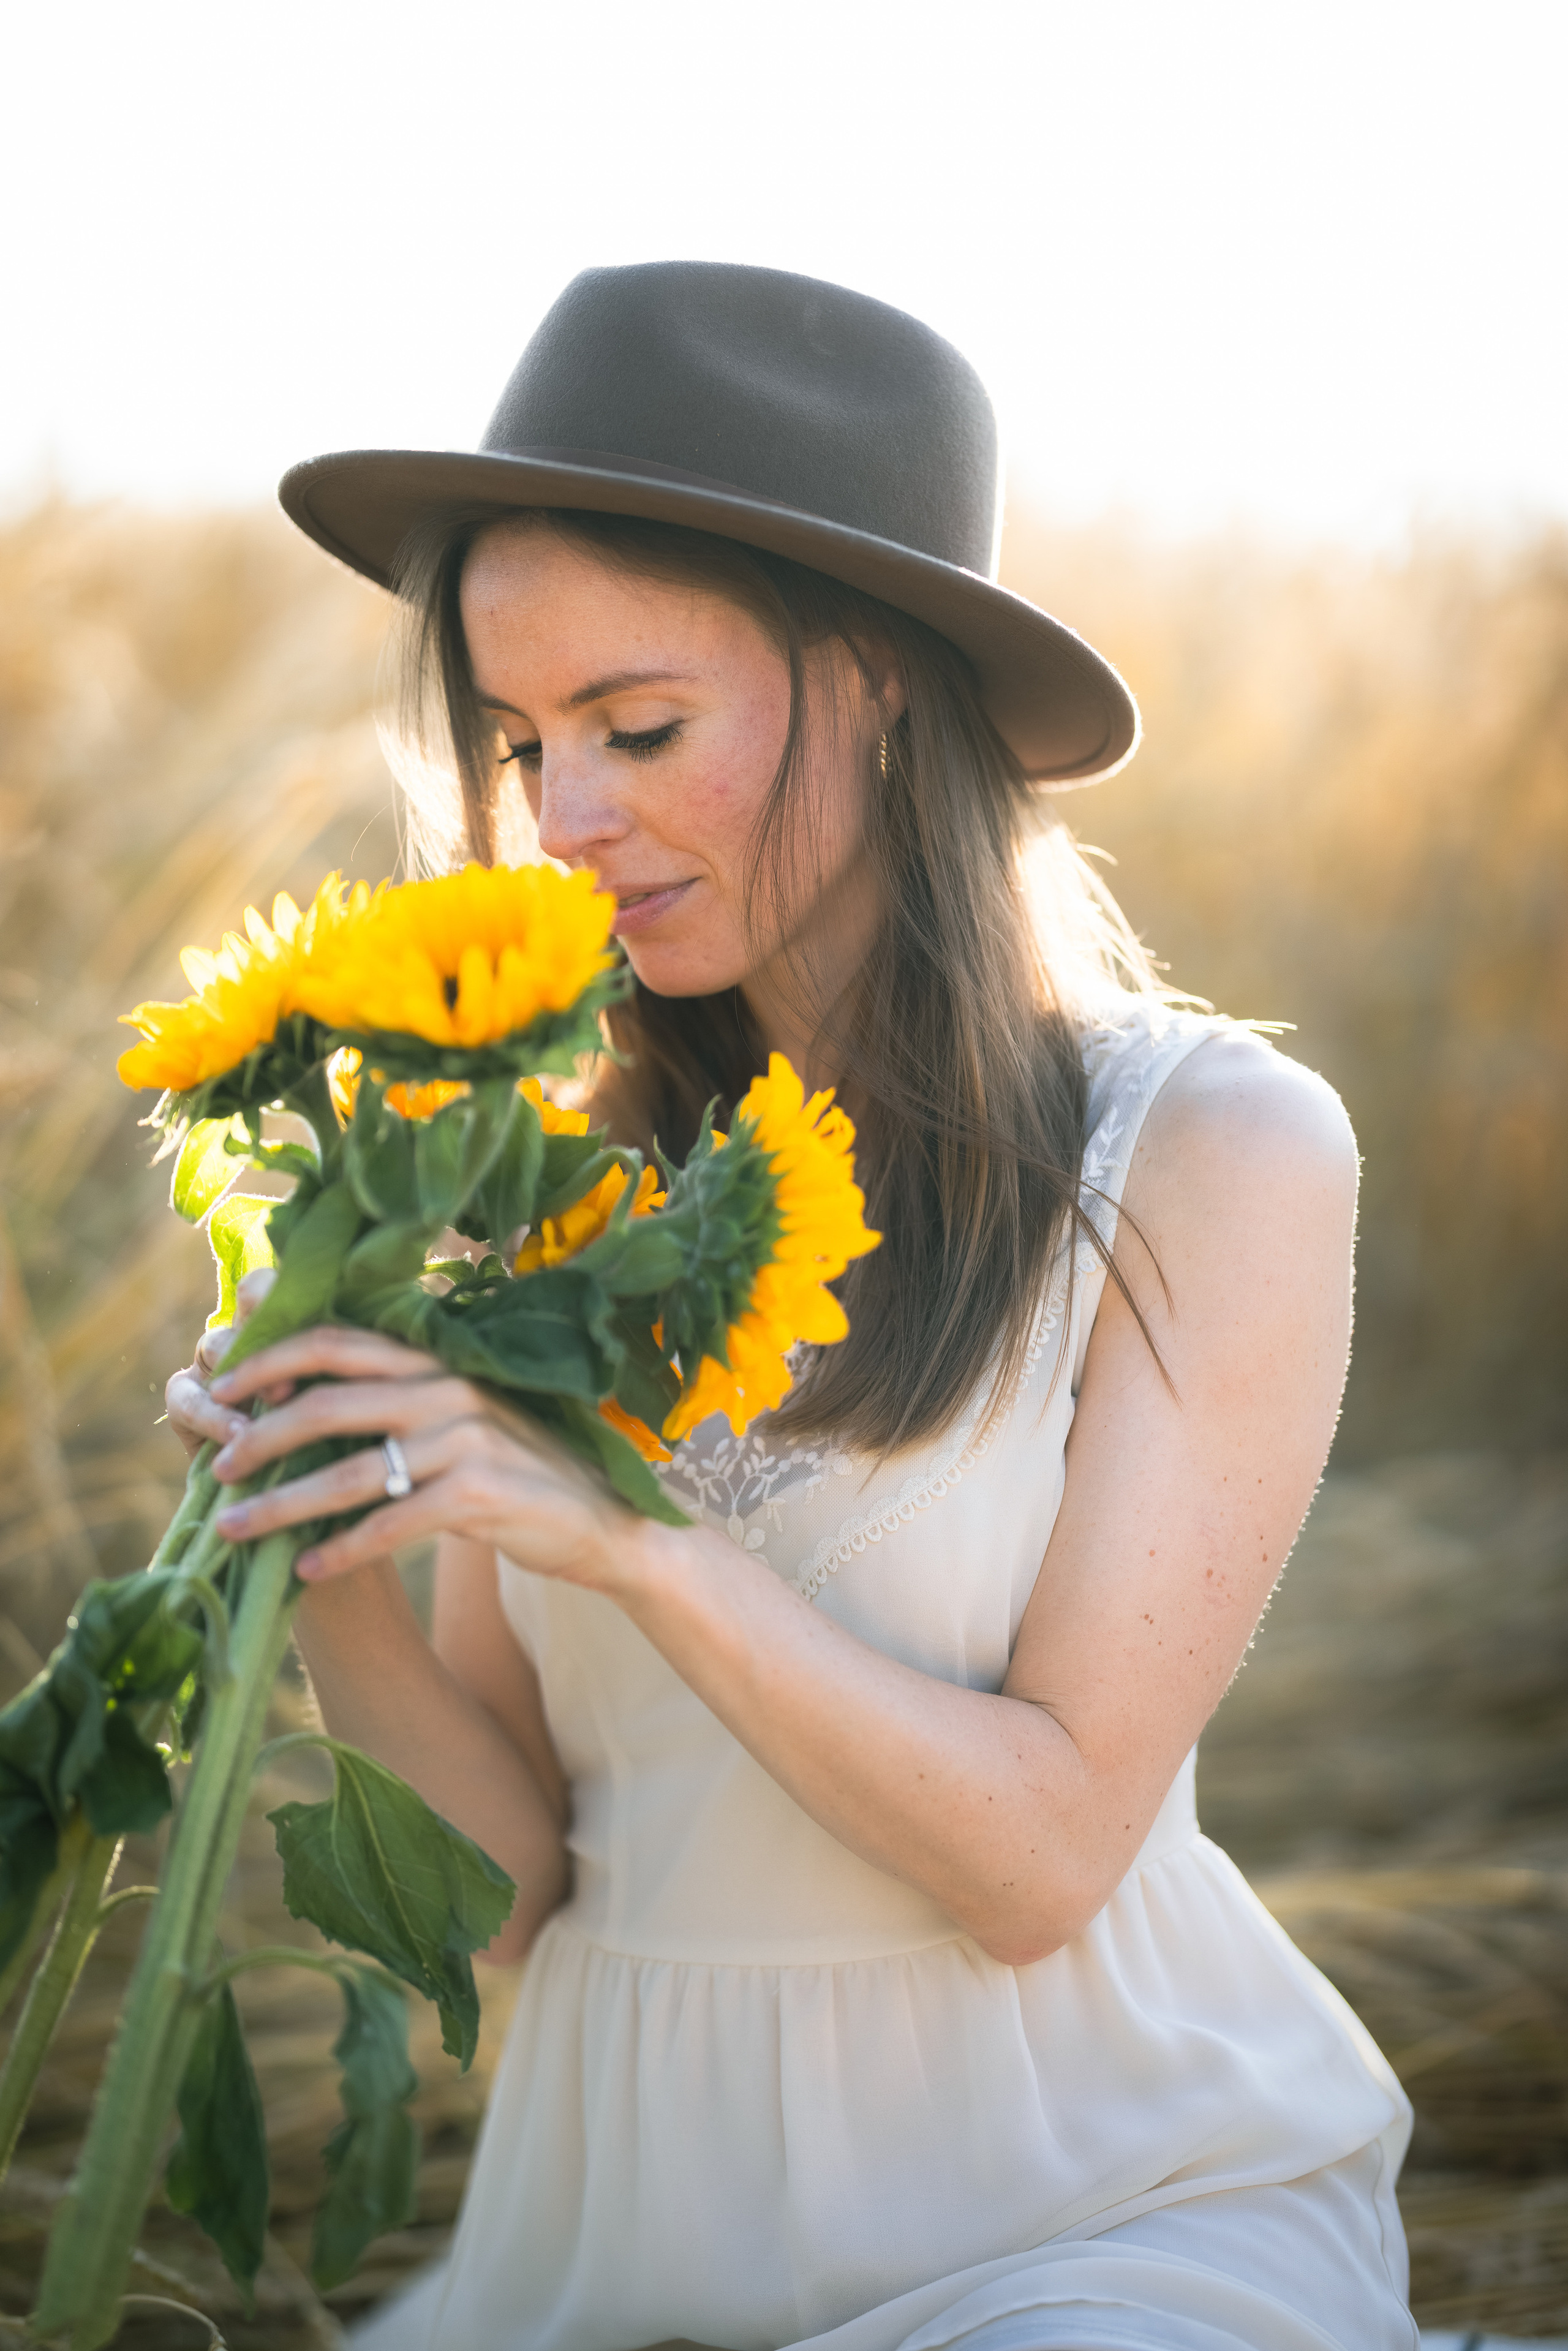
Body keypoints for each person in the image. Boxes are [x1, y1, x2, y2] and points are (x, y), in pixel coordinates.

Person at [168, 264, 1415, 2351]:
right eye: (523, 740)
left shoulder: (1206, 1157)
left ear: (880, 680)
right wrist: (326, 1554)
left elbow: (1040, 1860)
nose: (566, 820)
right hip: (618, 2259)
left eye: (641, 728)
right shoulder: (540, 1198)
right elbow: (516, 1892)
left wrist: (626, 1539)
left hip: (1086, 2228)